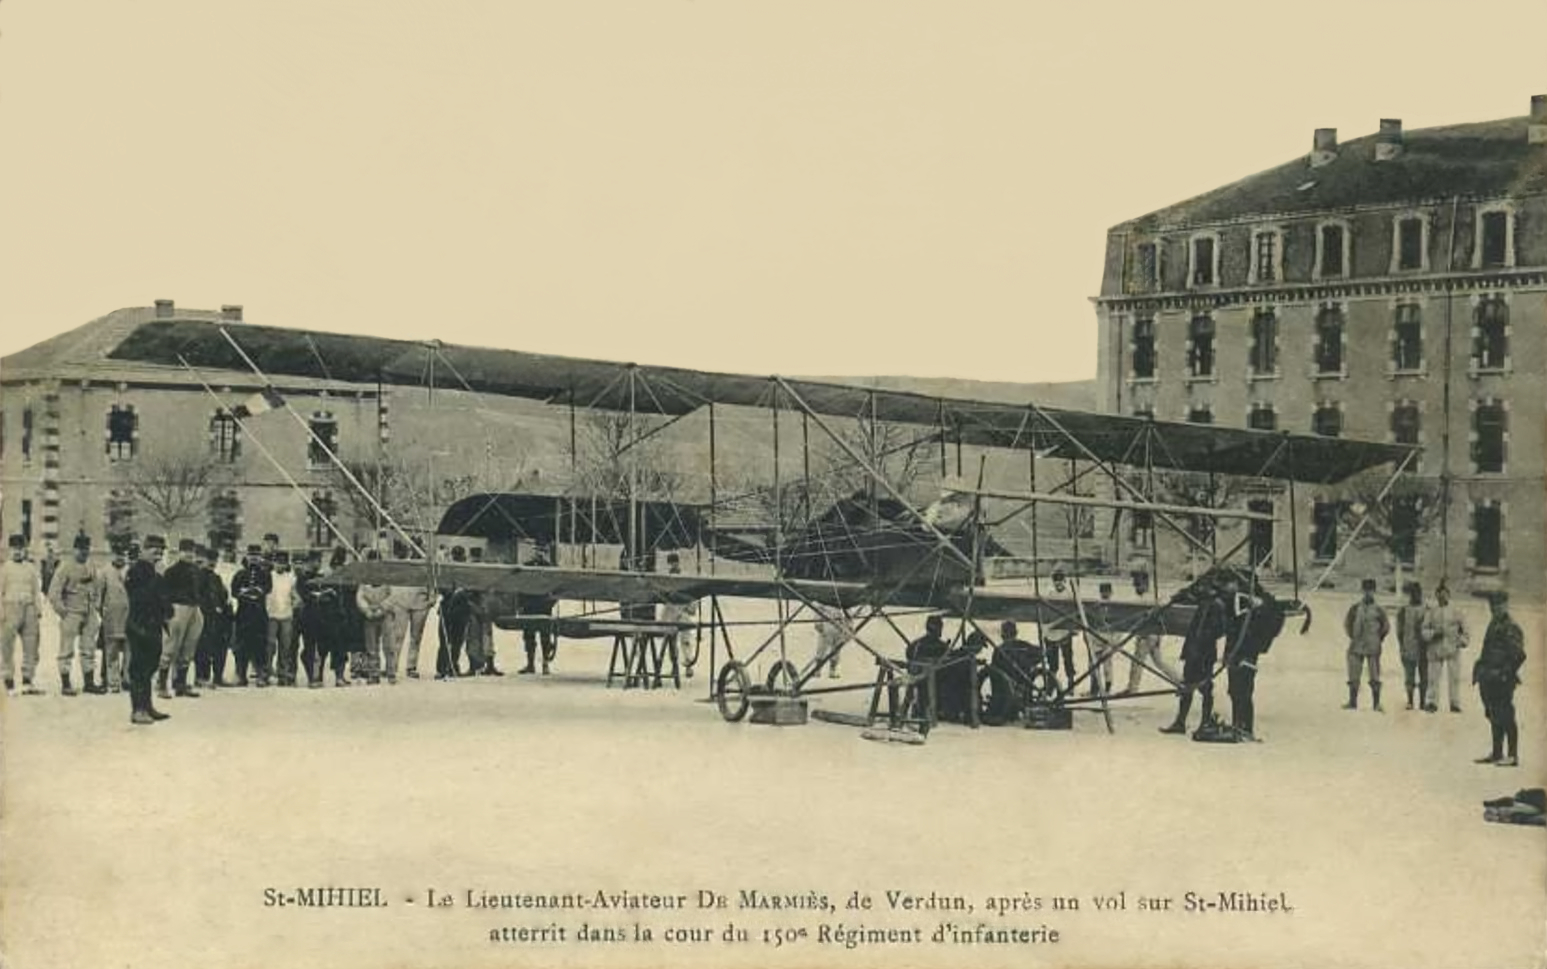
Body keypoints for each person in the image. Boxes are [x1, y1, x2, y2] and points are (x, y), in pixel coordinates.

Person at [1160, 575, 1234, 735]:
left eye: (1203, 587)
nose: (1201, 590)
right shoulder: (1205, 602)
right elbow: (1189, 594)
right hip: (1193, 650)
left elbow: (1221, 629)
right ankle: (1180, 722)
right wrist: (1179, 596)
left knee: (1205, 688)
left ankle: (1205, 722)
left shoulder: (1217, 605)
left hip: (1204, 653)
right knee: (1187, 686)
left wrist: (1206, 638)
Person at [47, 533, 107, 696]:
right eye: (80, 549)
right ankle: (66, 683)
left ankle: (89, 682)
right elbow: (53, 592)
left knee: (89, 648)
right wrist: (63, 611)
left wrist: (95, 605)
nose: (83, 552)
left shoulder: (92, 566)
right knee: (66, 649)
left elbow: (97, 588)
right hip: (71, 612)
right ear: (74, 549)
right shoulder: (65, 567)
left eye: (86, 549)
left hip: (88, 613)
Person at [1473, 591, 1525, 768]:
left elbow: (1518, 655)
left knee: (1506, 715)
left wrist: (1506, 673)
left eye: (1498, 605)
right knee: (1494, 714)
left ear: (1505, 605)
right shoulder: (1494, 623)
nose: (1494, 609)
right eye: (1492, 606)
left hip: (1502, 679)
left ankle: (1512, 755)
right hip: (1489, 677)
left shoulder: (1510, 626)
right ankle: (1497, 753)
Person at [124, 535, 172, 724]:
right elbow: (140, 598)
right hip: (139, 625)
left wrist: (167, 610)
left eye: (160, 551)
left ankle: (148, 706)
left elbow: (164, 597)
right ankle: (138, 710)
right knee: (139, 669)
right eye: (154, 550)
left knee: (150, 666)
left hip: (154, 625)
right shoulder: (136, 571)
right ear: (144, 550)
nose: (158, 554)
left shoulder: (156, 573)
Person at [1226, 588, 1284, 741]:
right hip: (1234, 654)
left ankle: (1246, 729)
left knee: (1243, 692)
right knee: (1233, 691)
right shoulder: (1238, 603)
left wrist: (1261, 606)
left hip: (1248, 655)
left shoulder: (1264, 607)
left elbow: (1276, 615)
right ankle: (1237, 726)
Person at [158, 538, 205, 700]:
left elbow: (201, 590)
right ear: (179, 552)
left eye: (192, 551)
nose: (189, 554)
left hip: (194, 608)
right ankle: (162, 684)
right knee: (170, 647)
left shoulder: (197, 571)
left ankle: (180, 684)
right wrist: (167, 613)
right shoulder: (172, 571)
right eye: (186, 551)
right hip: (177, 608)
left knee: (189, 647)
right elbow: (164, 594)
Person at [1, 534, 45, 695]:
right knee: (6, 645)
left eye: (20, 549)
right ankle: (8, 679)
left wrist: (38, 609)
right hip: (10, 608)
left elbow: (36, 590)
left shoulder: (31, 568)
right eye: (15, 549)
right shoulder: (5, 568)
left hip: (29, 608)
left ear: (25, 550)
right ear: (10, 550)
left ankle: (28, 678)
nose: (18, 552)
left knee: (31, 644)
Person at [1125, 568, 1178, 694]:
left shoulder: (1152, 597)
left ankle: (1132, 688)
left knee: (1137, 661)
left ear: (1145, 583)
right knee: (1159, 662)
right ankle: (1179, 680)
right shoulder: (1144, 597)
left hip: (1149, 635)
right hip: (1148, 634)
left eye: (1138, 584)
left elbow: (1159, 612)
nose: (1135, 587)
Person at [1343, 578, 1390, 711]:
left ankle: (1376, 703)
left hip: (1373, 646)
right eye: (1366, 590)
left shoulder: (1379, 610)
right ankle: (1352, 702)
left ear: (1374, 591)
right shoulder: (1355, 608)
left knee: (1374, 675)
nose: (1368, 593)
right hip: (1357, 645)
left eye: (1370, 590)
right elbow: (1348, 624)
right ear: (1362, 591)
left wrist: (1378, 638)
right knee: (1353, 673)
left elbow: (1385, 626)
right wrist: (1353, 636)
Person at [1421, 584, 1467, 713]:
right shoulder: (1431, 612)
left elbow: (1465, 629)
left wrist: (1462, 641)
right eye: (1439, 595)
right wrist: (1433, 634)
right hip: (1435, 649)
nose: (1442, 597)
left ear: (1449, 595)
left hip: (1452, 648)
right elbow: (1424, 630)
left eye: (1445, 594)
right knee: (1433, 678)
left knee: (1454, 678)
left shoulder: (1456, 611)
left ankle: (1455, 703)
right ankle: (1432, 702)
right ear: (1436, 596)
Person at [229, 545, 271, 686]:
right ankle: (241, 675)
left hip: (259, 614)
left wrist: (259, 591)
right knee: (242, 645)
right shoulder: (240, 574)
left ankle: (261, 675)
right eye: (251, 555)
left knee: (260, 645)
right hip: (244, 614)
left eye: (257, 555)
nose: (254, 558)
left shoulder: (265, 574)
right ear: (247, 556)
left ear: (260, 558)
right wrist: (244, 592)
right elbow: (234, 591)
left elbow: (267, 588)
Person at [194, 546, 233, 690]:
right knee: (203, 647)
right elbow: (198, 597)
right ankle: (201, 677)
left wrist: (225, 609)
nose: (212, 562)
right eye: (209, 559)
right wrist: (210, 608)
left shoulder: (216, 578)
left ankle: (217, 676)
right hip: (204, 616)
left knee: (219, 647)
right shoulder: (198, 576)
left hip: (219, 618)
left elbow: (223, 596)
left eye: (214, 560)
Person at [517, 544, 558, 675]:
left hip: (543, 607)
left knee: (545, 637)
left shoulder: (550, 569)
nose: (539, 554)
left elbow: (556, 589)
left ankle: (545, 664)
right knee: (528, 636)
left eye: (542, 551)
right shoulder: (526, 566)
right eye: (537, 551)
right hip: (529, 606)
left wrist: (550, 604)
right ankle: (530, 664)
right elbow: (520, 587)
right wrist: (521, 604)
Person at [356, 553, 392, 685]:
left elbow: (392, 596)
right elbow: (360, 597)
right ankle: (374, 673)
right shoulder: (364, 578)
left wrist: (382, 608)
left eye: (376, 562)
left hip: (385, 614)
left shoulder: (388, 577)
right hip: (370, 614)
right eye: (371, 562)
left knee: (389, 645)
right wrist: (366, 610)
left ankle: (390, 672)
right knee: (371, 646)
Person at [906, 614, 951, 721]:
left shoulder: (917, 644)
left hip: (927, 676)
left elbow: (909, 655)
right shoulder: (923, 645)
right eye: (939, 628)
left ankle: (932, 709)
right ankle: (932, 710)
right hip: (927, 677)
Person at [267, 551, 301, 686]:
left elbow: (294, 594)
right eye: (277, 562)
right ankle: (266, 672)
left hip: (286, 615)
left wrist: (297, 601)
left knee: (285, 647)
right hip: (271, 615)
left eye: (282, 563)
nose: (280, 565)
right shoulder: (269, 576)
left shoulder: (291, 578)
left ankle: (283, 674)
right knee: (269, 646)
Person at [100, 548, 131, 692]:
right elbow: (99, 594)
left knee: (129, 649)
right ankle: (112, 681)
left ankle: (127, 679)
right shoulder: (105, 572)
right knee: (111, 650)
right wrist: (101, 611)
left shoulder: (130, 571)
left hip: (129, 616)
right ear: (112, 554)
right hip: (111, 616)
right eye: (118, 554)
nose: (120, 557)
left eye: (123, 554)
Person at [1395, 582, 1429, 711]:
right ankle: (1410, 700)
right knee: (1409, 676)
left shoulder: (1427, 610)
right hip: (1409, 647)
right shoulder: (1403, 611)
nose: (1415, 596)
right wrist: (1402, 645)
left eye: (1417, 593)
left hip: (1424, 649)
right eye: (1413, 594)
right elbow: (1399, 631)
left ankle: (1422, 701)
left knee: (1424, 676)